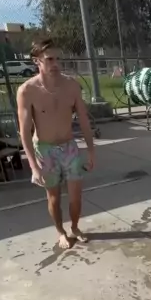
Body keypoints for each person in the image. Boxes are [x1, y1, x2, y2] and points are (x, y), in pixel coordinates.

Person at [16, 38, 95, 249]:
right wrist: (33, 166)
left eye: (58, 59)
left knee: (76, 198)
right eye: (50, 59)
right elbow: (25, 132)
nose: (56, 64)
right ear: (37, 61)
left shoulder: (71, 86)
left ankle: (75, 227)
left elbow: (84, 120)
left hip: (69, 147)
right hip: (45, 150)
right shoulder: (27, 90)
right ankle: (61, 232)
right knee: (53, 198)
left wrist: (91, 151)